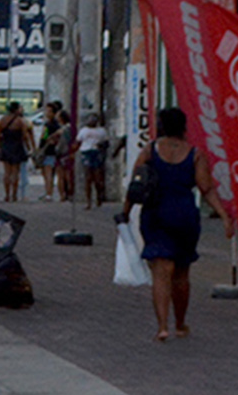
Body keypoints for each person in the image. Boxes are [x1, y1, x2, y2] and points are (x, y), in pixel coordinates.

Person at [123, 106, 223, 342]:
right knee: (181, 273)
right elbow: (206, 188)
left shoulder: (150, 150)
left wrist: (125, 212)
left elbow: (136, 183)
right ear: (183, 126)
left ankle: (162, 326)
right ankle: (180, 323)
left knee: (161, 271)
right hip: (184, 214)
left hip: (156, 213)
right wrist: (224, 216)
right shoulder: (195, 154)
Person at [0, 101, 32, 201]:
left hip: (6, 146)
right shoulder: (20, 121)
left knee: (7, 172)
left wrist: (0, 147)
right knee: (15, 172)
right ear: (17, 109)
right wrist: (28, 147)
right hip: (17, 146)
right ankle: (14, 194)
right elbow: (24, 136)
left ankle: (7, 194)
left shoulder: (2, 120)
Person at [76, 109, 110, 208]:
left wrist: (101, 145)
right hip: (86, 152)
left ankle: (99, 196)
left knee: (97, 177)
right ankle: (88, 201)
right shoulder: (84, 130)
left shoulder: (102, 131)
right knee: (88, 178)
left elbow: (107, 143)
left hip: (96, 152)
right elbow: (78, 142)